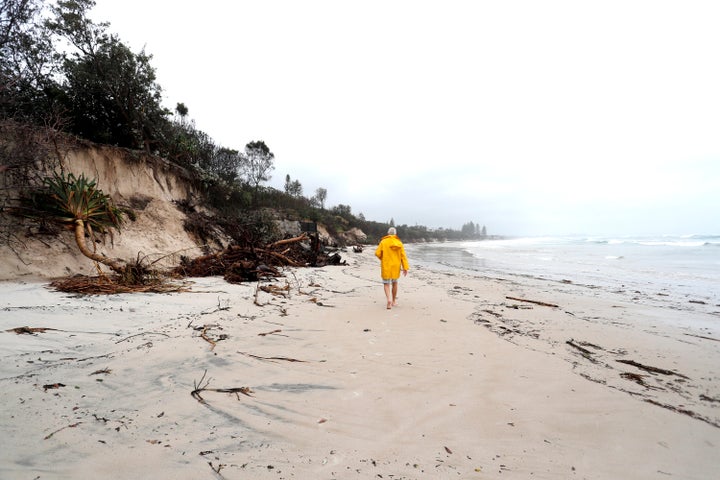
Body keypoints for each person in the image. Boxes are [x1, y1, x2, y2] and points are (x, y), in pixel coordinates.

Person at [375, 227, 409, 310]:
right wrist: (405, 267)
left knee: (386, 284)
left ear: (388, 233)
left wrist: (382, 258)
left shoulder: (383, 242)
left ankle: (389, 300)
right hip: (396, 266)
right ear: (395, 234)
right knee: (395, 283)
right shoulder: (399, 243)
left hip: (386, 265)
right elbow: (403, 256)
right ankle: (393, 301)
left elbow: (377, 253)